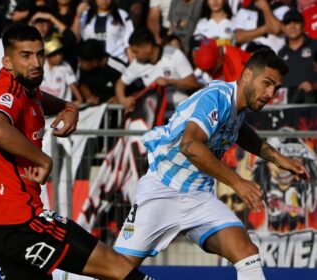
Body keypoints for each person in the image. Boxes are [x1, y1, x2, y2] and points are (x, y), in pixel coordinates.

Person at [114, 48, 310, 280]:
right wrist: (238, 183)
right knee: (115, 270)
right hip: (163, 190)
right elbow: (190, 146)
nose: (270, 93)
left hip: (198, 197)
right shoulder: (216, 96)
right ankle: (68, 273)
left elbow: (241, 132)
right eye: (266, 83)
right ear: (247, 74)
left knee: (246, 252)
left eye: (276, 88)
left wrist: (279, 159)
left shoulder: (237, 108)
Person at [0, 23, 154, 280]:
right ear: (7, 61)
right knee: (118, 268)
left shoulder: (26, 89)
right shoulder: (10, 91)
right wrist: (43, 159)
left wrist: (70, 107)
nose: (36, 62)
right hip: (24, 221)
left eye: (40, 54)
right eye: (25, 56)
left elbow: (39, 99)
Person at [116, 28, 199, 114]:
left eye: (136, 52)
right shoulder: (137, 64)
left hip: (181, 112)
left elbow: (193, 83)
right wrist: (123, 99)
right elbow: (120, 83)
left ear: (148, 47)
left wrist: (170, 82)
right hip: (155, 116)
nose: (134, 55)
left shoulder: (174, 54)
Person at [278, 9, 317, 103]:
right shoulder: (281, 53)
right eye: (288, 23)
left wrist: (314, 86)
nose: (292, 26)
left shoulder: (315, 46)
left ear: (303, 24)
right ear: (283, 27)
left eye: (296, 22)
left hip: (311, 104)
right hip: (287, 107)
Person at [78, 39, 126, 105]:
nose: (79, 63)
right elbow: (82, 84)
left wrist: (120, 97)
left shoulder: (118, 67)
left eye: (82, 61)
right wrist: (89, 97)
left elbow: (135, 88)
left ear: (94, 61)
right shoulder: (83, 68)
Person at [40, 37, 83, 106]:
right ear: (47, 56)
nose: (59, 57)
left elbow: (73, 87)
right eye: (55, 54)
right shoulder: (41, 66)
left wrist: (78, 100)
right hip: (43, 107)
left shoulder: (65, 66)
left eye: (60, 53)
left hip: (61, 107)